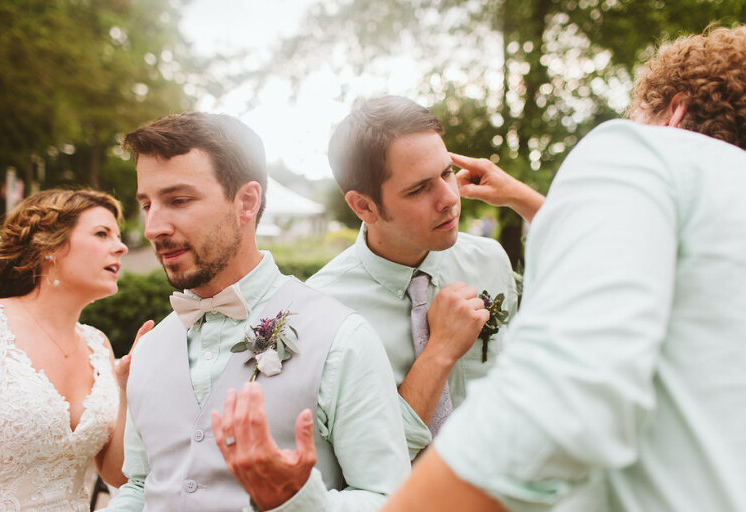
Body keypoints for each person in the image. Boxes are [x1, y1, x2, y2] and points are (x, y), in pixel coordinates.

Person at [382, 25, 746, 511]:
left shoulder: (642, 150)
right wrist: (527, 200)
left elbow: (565, 405)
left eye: (636, 114)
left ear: (675, 111)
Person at [105, 112, 410, 512]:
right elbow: (141, 485)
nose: (153, 227)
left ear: (247, 202)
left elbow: (389, 498)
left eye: (178, 200)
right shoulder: (150, 347)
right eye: (147, 204)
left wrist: (297, 502)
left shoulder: (341, 337)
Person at [307, 95, 544, 459]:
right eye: (418, 189)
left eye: (447, 173)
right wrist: (440, 351)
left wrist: (523, 198)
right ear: (364, 206)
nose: (449, 198)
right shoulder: (322, 312)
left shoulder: (490, 260)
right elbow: (362, 460)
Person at [0, 188, 147, 509]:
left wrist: (127, 390)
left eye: (118, 236)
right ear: (50, 246)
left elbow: (116, 474)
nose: (121, 246)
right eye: (102, 234)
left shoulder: (98, 345)